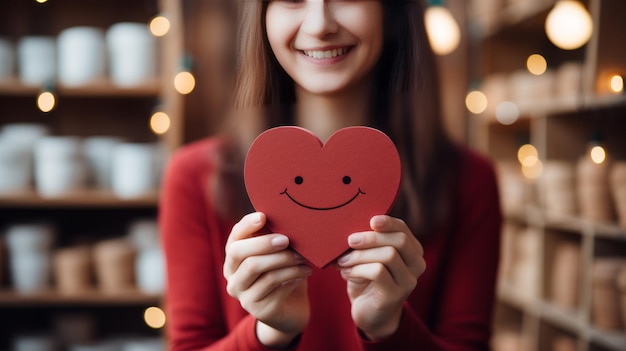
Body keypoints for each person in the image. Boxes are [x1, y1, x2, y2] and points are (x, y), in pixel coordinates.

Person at [160, 0, 502, 350]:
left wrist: (388, 327)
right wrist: (269, 333)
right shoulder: (195, 176)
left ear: (392, 12)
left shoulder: (469, 180)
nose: (319, 24)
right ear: (262, 17)